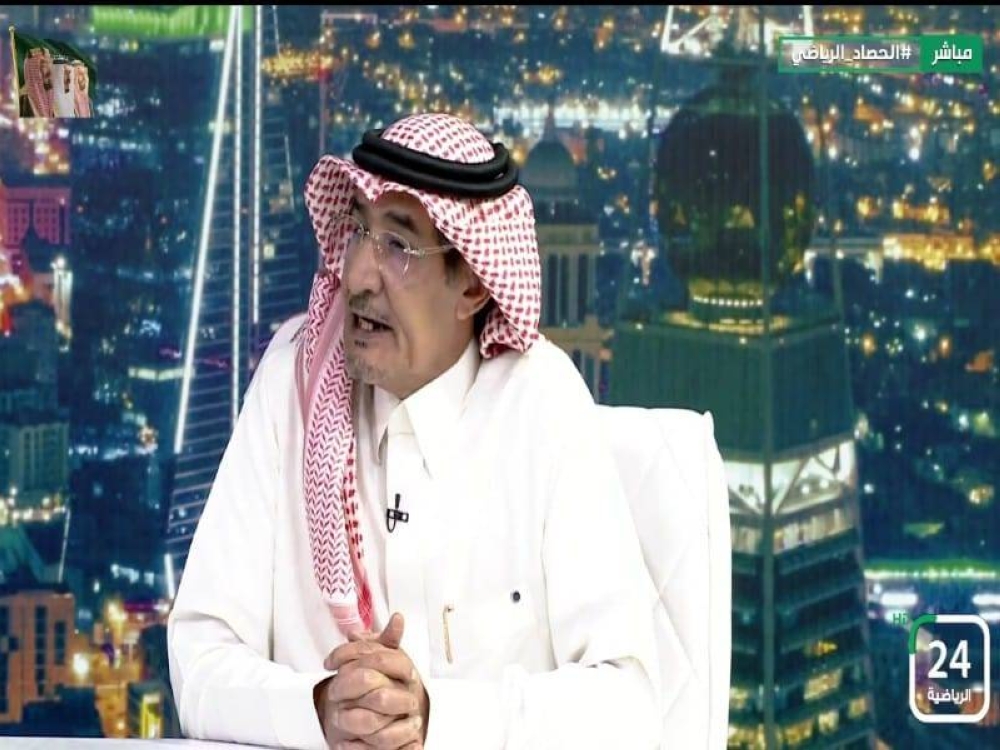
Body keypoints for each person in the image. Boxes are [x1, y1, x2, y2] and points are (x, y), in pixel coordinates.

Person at [167, 113, 663, 749]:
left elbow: (628, 706)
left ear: (474, 284)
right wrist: (318, 708)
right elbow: (199, 658)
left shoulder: (542, 404)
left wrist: (437, 719)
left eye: (398, 247)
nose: (357, 275)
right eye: (358, 232)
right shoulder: (294, 380)